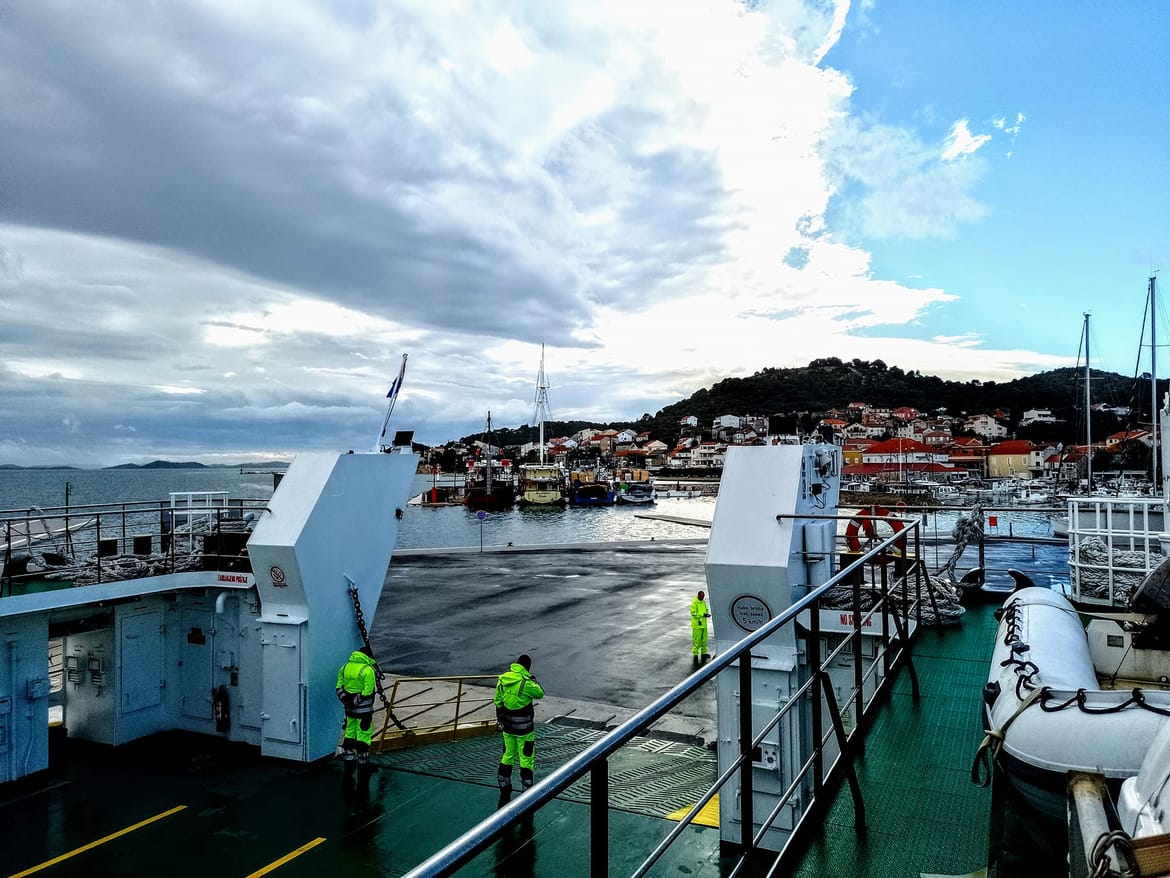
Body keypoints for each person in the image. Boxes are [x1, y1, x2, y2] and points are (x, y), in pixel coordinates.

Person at [494, 653, 545, 793]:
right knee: (526, 757)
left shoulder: (503, 680)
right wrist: (533, 680)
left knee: (508, 754)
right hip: (525, 729)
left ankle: (503, 780)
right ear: (528, 667)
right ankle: (526, 786)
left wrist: (500, 720)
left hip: (508, 727)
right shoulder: (526, 682)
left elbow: (498, 702)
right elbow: (540, 693)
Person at [336, 644, 378, 770]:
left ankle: (348, 759)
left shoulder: (344, 667)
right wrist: (356, 701)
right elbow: (368, 691)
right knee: (363, 734)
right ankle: (363, 761)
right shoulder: (368, 670)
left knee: (349, 732)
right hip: (364, 711)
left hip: (349, 710)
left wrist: (346, 700)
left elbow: (339, 687)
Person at [690, 590, 711, 664]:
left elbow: (706, 609)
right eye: (701, 596)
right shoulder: (694, 603)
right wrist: (703, 615)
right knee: (697, 640)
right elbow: (693, 613)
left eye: (703, 596)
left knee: (704, 640)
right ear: (698, 595)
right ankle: (695, 654)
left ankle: (704, 653)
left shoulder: (703, 602)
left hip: (703, 625)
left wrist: (707, 614)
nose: (703, 598)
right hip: (697, 625)